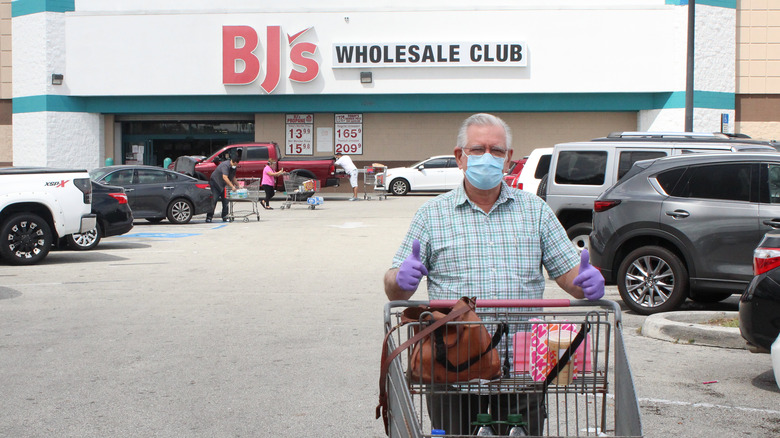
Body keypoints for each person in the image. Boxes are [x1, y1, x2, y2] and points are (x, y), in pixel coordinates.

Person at [383, 113, 605, 436]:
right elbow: (394, 288)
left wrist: (586, 282)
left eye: (497, 151)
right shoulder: (431, 215)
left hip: (521, 370)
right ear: (460, 157)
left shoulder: (535, 211)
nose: (487, 157)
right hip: (452, 370)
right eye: (477, 150)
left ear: (508, 159)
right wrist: (399, 280)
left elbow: (570, 273)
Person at [206, 153, 240, 223]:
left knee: (225, 201)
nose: (236, 166)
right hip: (215, 183)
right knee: (214, 200)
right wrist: (232, 186)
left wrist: (238, 185)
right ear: (234, 162)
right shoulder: (225, 165)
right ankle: (209, 217)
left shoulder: (234, 167)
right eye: (236, 164)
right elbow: (225, 177)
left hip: (223, 185)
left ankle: (225, 216)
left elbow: (233, 177)